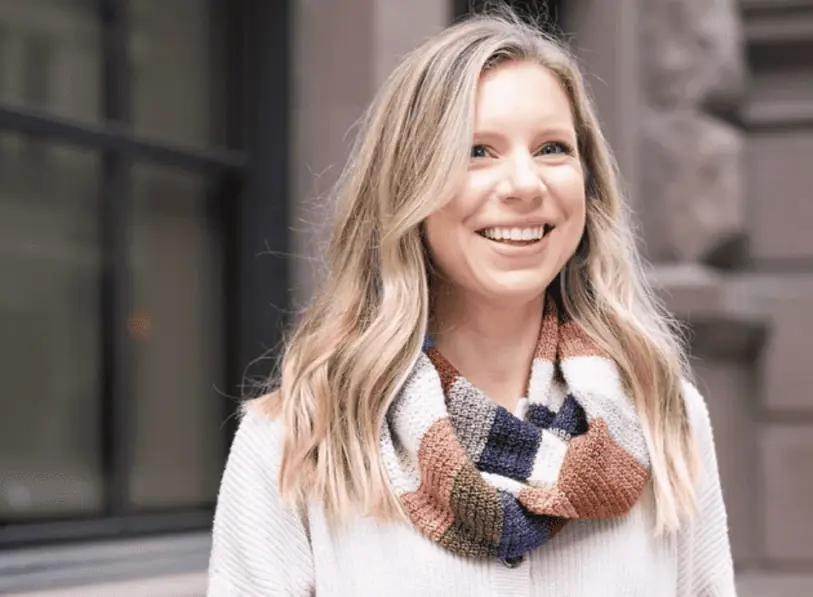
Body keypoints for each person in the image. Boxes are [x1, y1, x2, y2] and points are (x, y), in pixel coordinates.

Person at [208, 9, 736, 597]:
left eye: (552, 148)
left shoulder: (663, 418)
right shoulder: (301, 440)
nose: (524, 185)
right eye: (477, 151)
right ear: (409, 185)